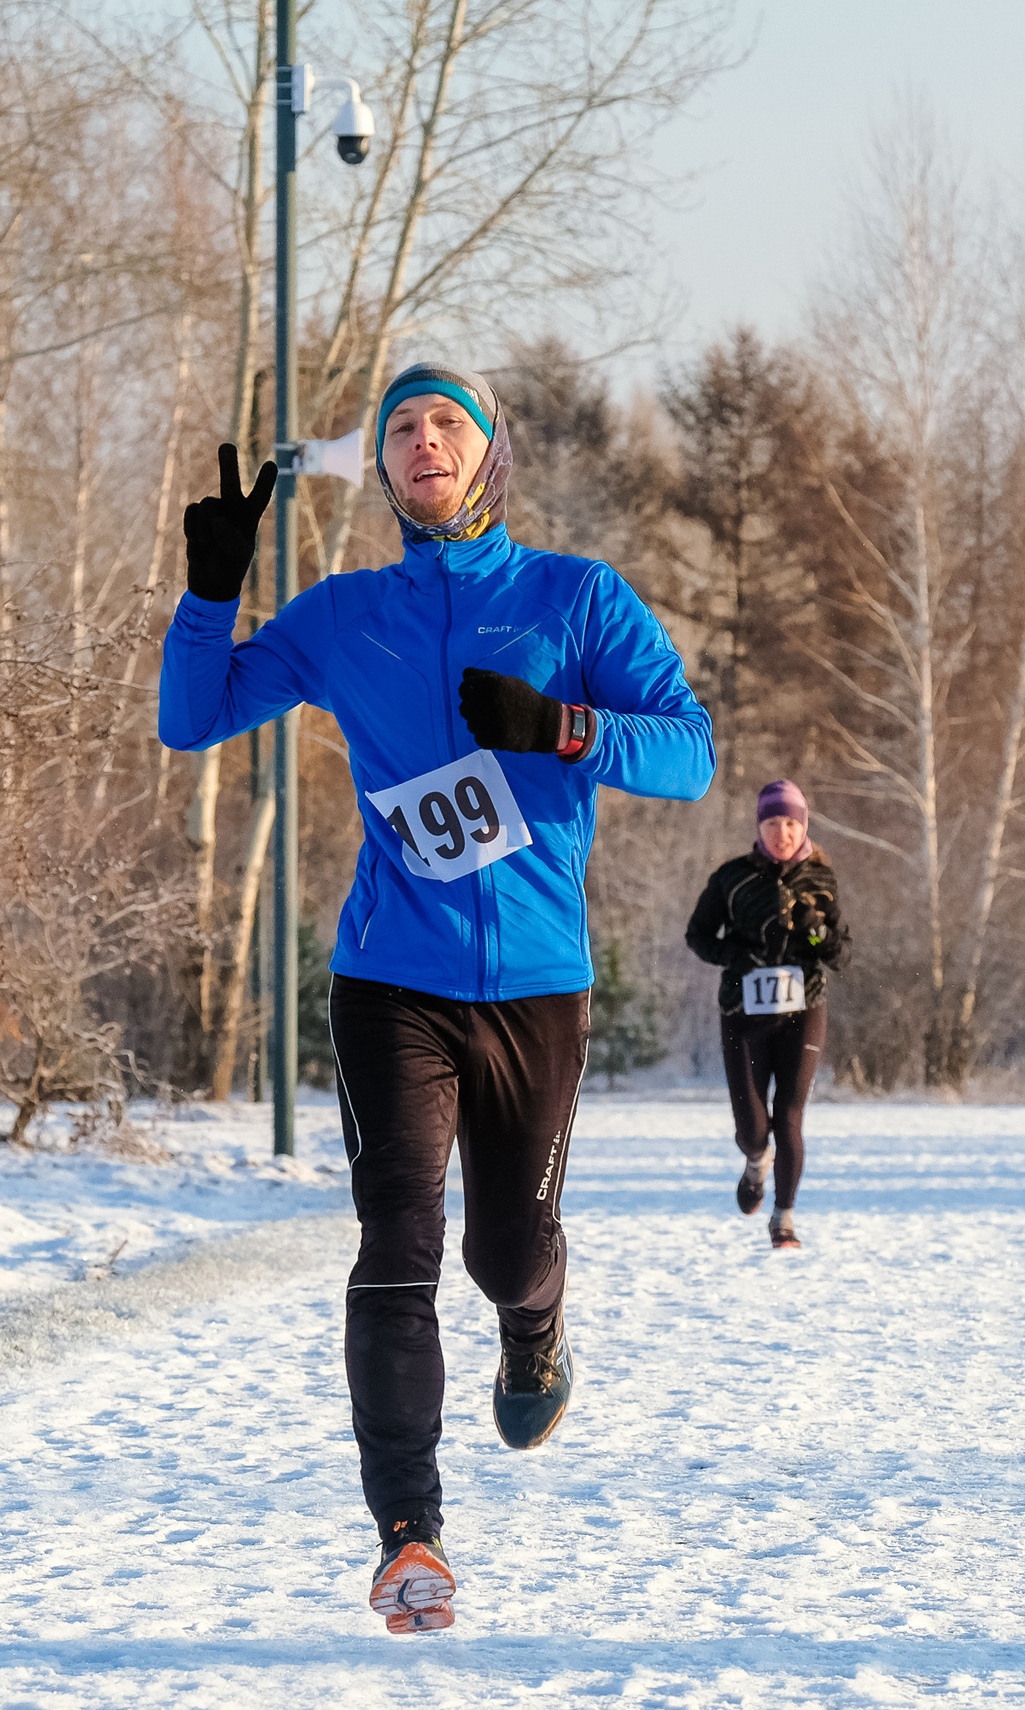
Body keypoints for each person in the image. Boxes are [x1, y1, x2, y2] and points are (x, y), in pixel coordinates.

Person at [158, 361, 714, 1635]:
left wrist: (565, 726)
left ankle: (535, 1327)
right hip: (388, 981)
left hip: (535, 986)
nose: (419, 442)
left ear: (487, 456)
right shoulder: (347, 615)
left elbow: (691, 752)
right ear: (389, 468)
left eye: (443, 424)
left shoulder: (575, 597)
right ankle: (410, 1535)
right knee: (395, 1246)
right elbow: (192, 721)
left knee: (501, 1251)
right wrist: (208, 592)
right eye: (400, 427)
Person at [683, 779, 846, 1251]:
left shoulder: (821, 879)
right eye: (773, 822)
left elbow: (840, 954)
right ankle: (756, 1161)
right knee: (753, 1128)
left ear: (804, 826)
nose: (783, 832)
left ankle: (784, 1218)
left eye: (792, 822)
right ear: (760, 826)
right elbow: (698, 936)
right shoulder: (732, 878)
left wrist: (817, 933)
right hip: (743, 1011)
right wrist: (735, 955)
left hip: (805, 1008)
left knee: (790, 1114)